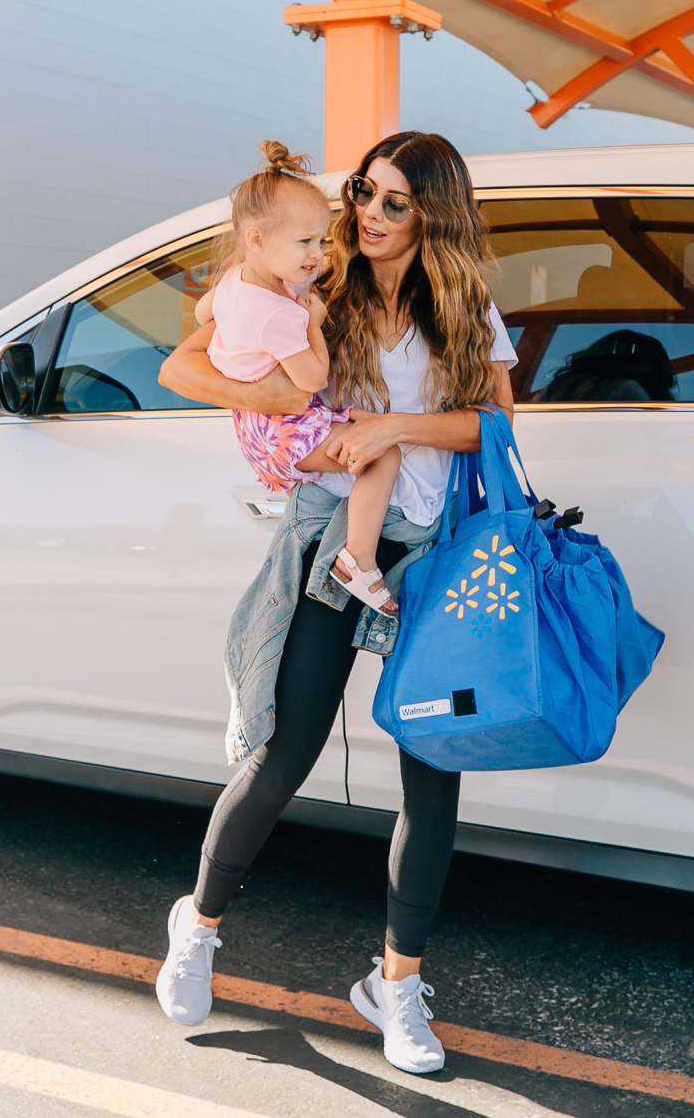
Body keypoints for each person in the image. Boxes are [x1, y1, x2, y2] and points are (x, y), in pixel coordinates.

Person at [152, 131, 516, 1075]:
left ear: (434, 213)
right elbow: (184, 366)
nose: (372, 213)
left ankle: (395, 986)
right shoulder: (318, 282)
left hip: (430, 561)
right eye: (366, 192)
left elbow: (497, 422)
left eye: (397, 202)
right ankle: (197, 924)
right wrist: (285, 404)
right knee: (285, 756)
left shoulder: (465, 305)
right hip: (335, 549)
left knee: (431, 780)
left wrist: (390, 424)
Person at [193, 141, 402, 610]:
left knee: (367, 424)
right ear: (257, 240)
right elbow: (312, 377)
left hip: (256, 427)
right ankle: (357, 560)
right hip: (285, 432)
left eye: (321, 241)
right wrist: (312, 322)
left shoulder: (233, 282)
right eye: (304, 243)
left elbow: (203, 312)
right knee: (383, 452)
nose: (317, 254)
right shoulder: (280, 315)